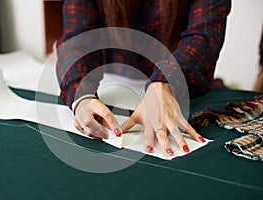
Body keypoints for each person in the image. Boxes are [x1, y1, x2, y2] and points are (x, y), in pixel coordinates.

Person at [56, 0, 231, 156]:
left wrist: (165, 83)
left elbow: (204, 35)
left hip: (185, 87)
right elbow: (77, 40)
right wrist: (81, 95)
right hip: (116, 86)